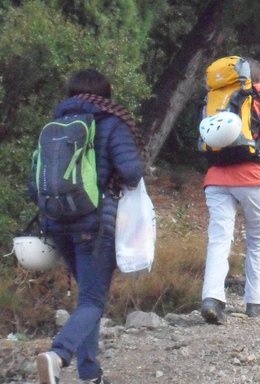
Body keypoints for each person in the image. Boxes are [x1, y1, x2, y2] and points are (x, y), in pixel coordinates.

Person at [34, 69, 144, 384]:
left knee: (88, 297)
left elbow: (34, 185)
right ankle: (57, 356)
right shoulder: (111, 121)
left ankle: (90, 374)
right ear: (105, 93)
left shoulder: (53, 127)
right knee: (94, 300)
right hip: (95, 226)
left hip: (58, 224)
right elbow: (131, 172)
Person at [200, 58, 260, 324]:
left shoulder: (213, 101)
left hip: (215, 177)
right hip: (250, 178)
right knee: (257, 238)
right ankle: (255, 300)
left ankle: (212, 299)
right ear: (258, 79)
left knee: (219, 238)